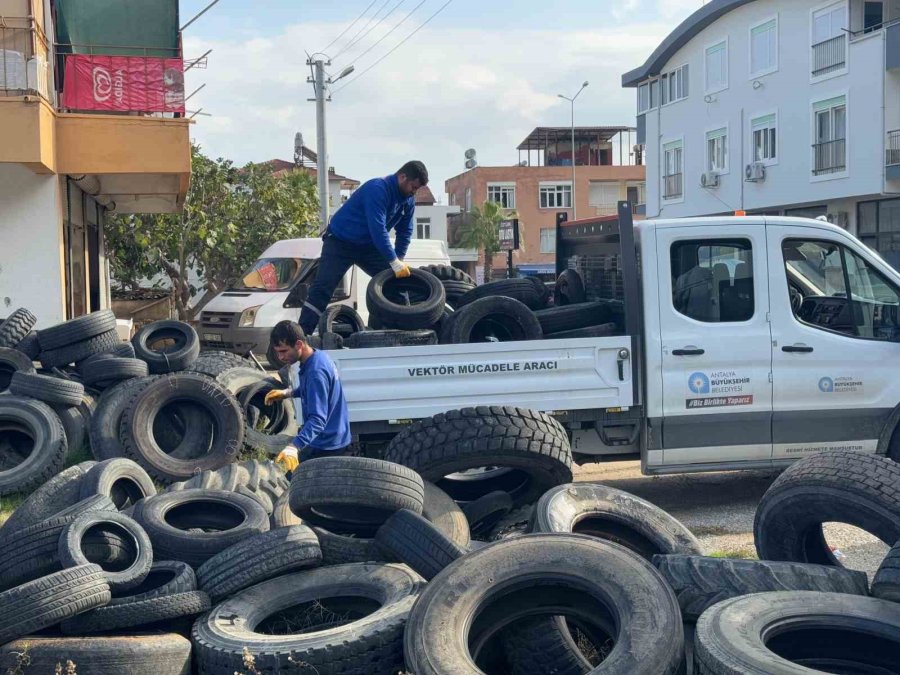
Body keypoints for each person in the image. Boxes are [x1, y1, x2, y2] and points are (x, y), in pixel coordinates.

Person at [298, 160, 429, 335]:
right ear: (402, 177)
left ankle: (398, 333)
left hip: (368, 247)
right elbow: (378, 229)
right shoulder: (377, 189)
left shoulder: (408, 201)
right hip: (340, 243)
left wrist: (399, 260)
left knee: (396, 284)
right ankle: (302, 336)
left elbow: (405, 231)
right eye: (413, 187)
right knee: (322, 289)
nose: (414, 192)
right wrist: (392, 260)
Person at [264, 320, 351, 473]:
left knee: (291, 479)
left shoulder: (315, 372)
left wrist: (294, 446)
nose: (280, 357)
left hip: (326, 444)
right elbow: (314, 390)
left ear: (298, 344)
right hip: (334, 435)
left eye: (283, 351)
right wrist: (288, 393)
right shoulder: (318, 357)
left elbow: (317, 420)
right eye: (277, 352)